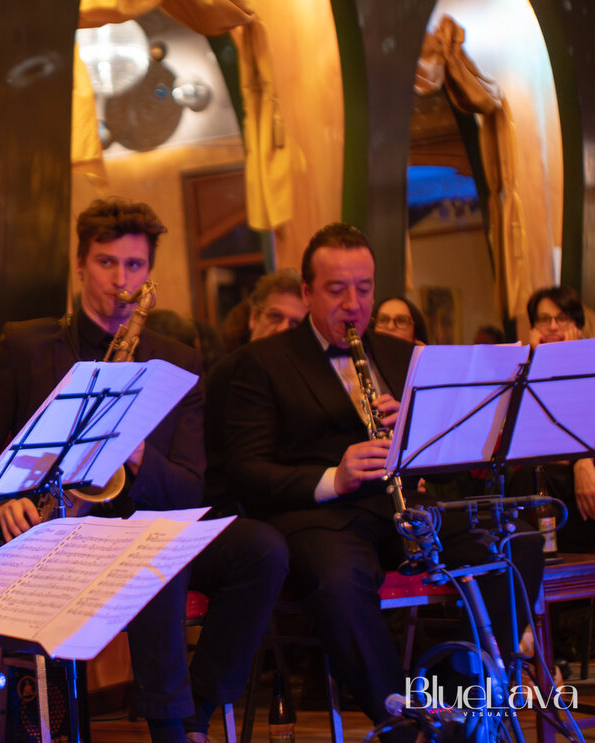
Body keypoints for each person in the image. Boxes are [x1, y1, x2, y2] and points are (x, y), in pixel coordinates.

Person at [0, 198, 288, 743]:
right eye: (106, 262)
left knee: (262, 549)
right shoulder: (24, 345)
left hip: (140, 523)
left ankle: (196, 710)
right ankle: (170, 731)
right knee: (157, 558)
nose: (120, 280)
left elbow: (188, 487)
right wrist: (0, 503)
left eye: (134, 265)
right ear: (80, 264)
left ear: (148, 273)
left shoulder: (178, 361)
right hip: (54, 533)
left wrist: (137, 454)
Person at [221, 223, 543, 727]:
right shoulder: (260, 363)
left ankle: (451, 701)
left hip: (404, 512)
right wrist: (334, 477)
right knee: (338, 579)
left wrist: (417, 434)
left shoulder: (402, 354)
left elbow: (449, 460)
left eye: (364, 288)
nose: (353, 304)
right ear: (307, 292)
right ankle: (402, 725)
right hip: (322, 519)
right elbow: (246, 470)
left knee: (515, 541)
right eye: (336, 289)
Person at [203, 269, 306, 512]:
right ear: (253, 318)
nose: (283, 329)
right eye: (275, 316)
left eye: (295, 323)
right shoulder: (228, 372)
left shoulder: (306, 377)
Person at [511, 286, 595, 551]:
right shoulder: (523, 373)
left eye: (563, 318)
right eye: (544, 319)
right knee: (529, 480)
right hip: (554, 476)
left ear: (578, 326)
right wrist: (541, 361)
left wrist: (583, 460)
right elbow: (532, 440)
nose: (553, 326)